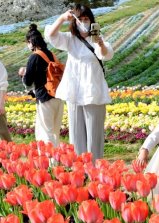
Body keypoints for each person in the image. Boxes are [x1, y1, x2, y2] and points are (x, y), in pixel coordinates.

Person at [44, 4, 114, 161]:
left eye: (86, 19)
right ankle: (79, 168)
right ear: (74, 22)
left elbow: (105, 55)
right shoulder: (70, 40)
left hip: (93, 91)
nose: (83, 22)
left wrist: (101, 44)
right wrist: (62, 18)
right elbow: (51, 36)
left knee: (94, 133)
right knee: (76, 133)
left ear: (91, 20)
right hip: (74, 90)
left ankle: (95, 169)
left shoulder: (96, 39)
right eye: (80, 19)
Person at [18, 24, 64, 147]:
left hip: (44, 98)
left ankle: (51, 163)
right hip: (58, 96)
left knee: (46, 132)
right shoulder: (52, 55)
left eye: (28, 42)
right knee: (55, 132)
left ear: (31, 42)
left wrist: (24, 74)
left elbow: (28, 81)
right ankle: (58, 159)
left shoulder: (34, 57)